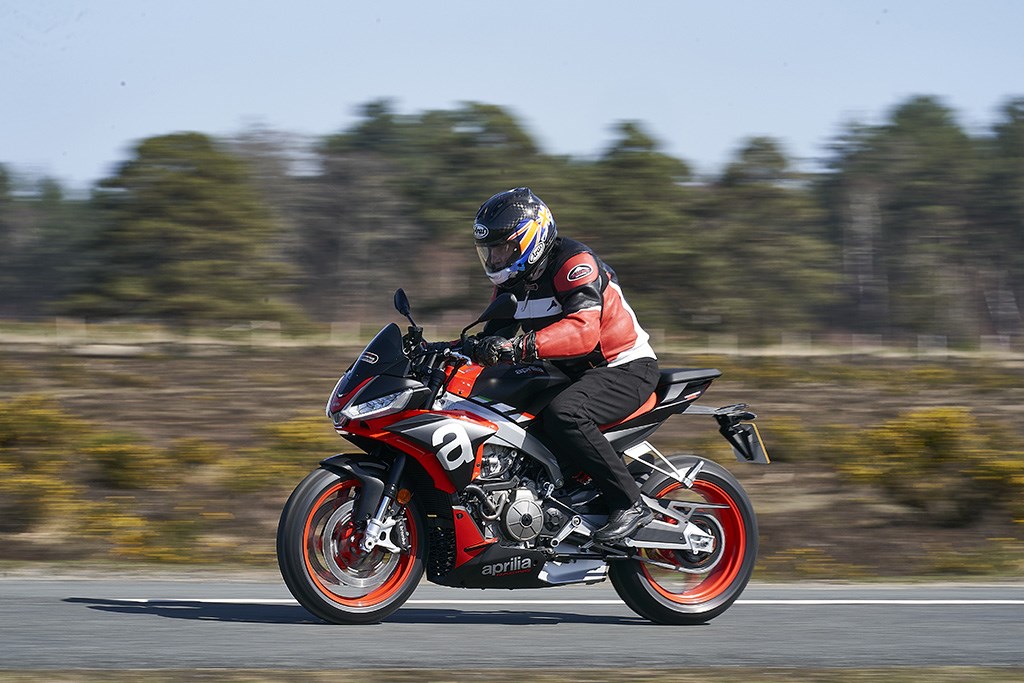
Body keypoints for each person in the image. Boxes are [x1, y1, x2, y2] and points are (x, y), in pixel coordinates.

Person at [468, 187, 660, 543]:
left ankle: (630, 504)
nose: (495, 258)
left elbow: (583, 332)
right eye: (489, 250)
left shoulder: (573, 263)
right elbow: (492, 337)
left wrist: (520, 347)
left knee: (564, 415)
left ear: (531, 239)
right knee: (497, 399)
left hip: (623, 367)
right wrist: (443, 351)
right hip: (572, 373)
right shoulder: (515, 282)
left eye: (503, 248)